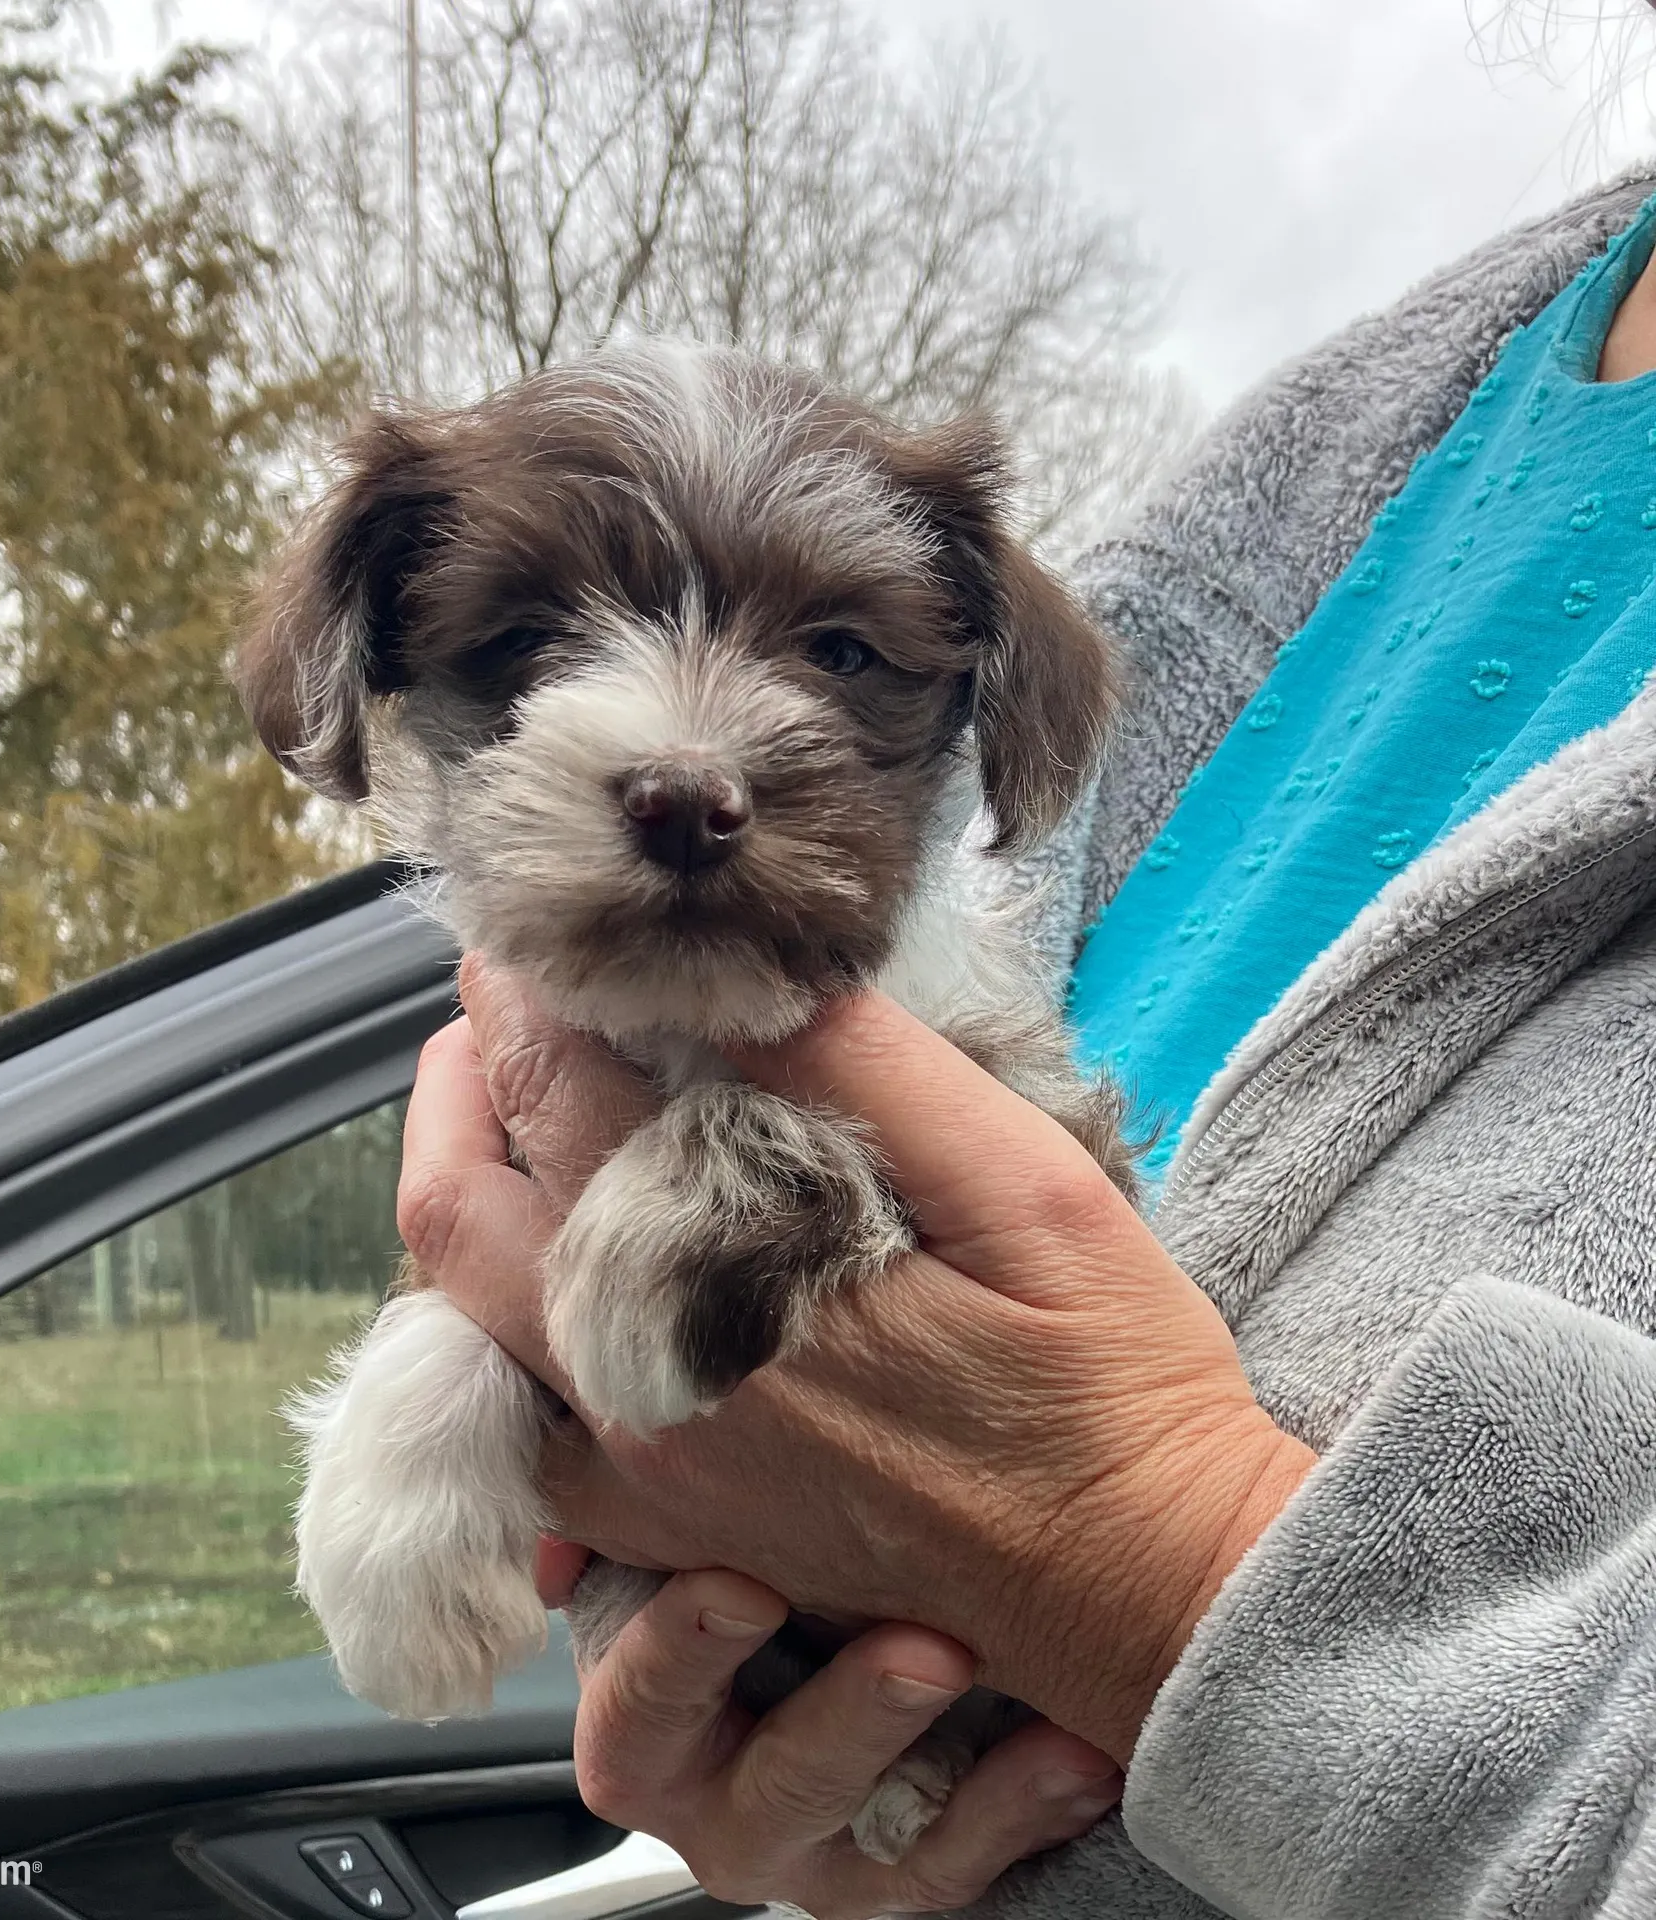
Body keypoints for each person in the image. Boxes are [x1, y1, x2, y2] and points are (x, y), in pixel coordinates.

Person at [395, 145, 1656, 1920]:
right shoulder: (1351, 438)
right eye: (527, 635)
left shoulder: (963, 842)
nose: (690, 747)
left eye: (836, 654)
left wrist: (1149, 1568)